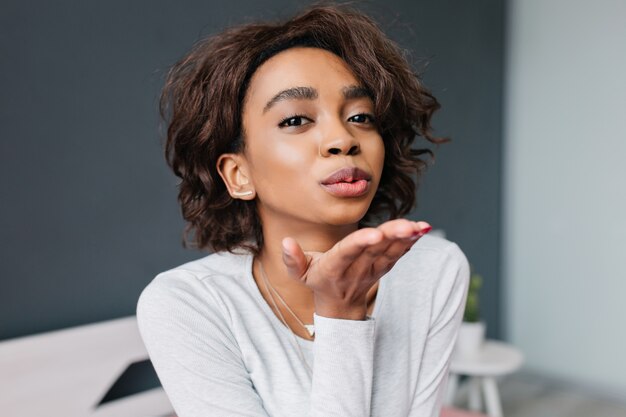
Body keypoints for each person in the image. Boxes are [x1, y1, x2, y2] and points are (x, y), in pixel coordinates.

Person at [137, 3, 470, 417]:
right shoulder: (186, 305)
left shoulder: (435, 269)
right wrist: (340, 314)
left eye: (361, 116)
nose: (343, 138)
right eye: (296, 120)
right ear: (239, 174)